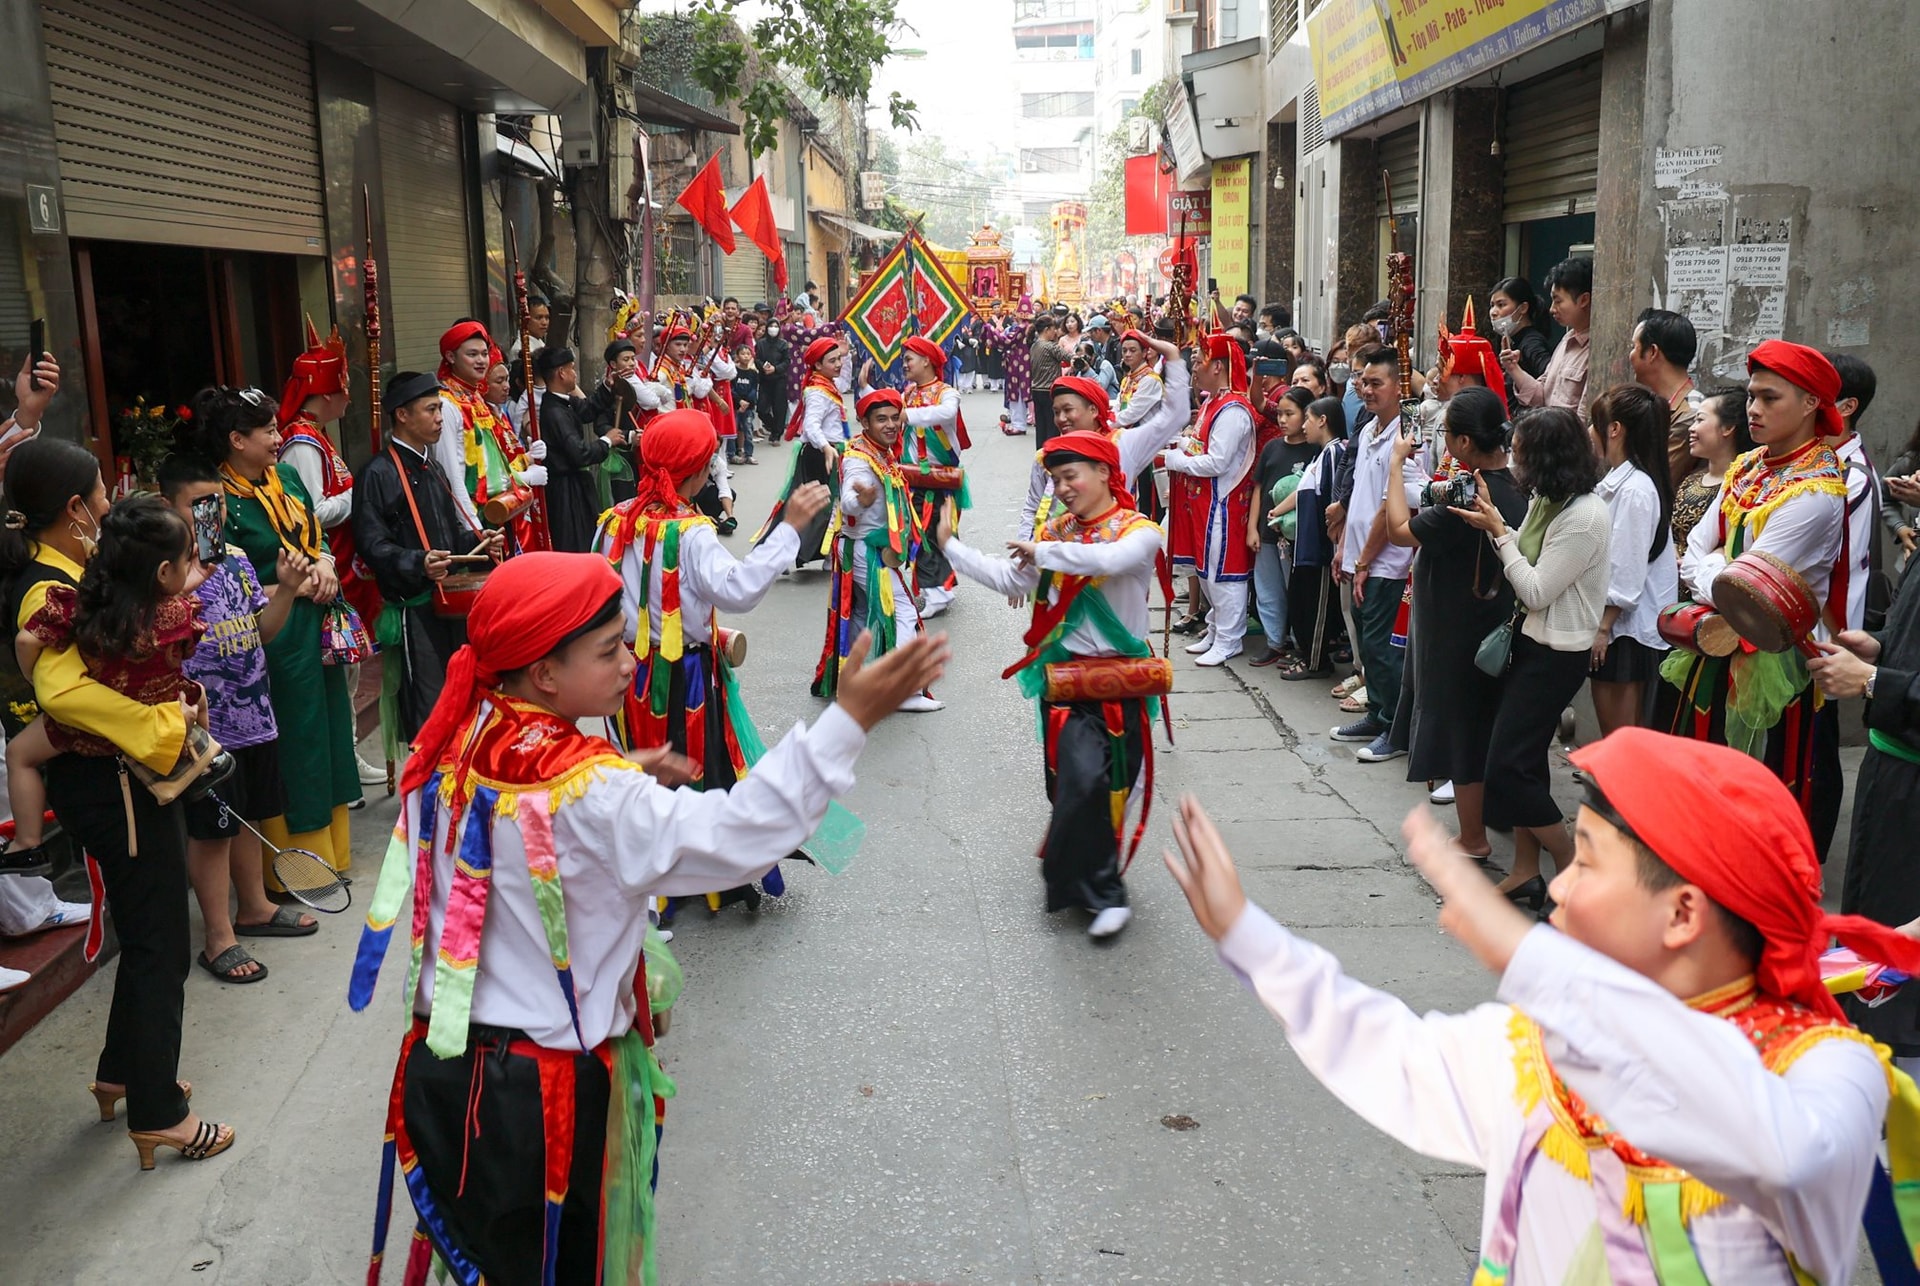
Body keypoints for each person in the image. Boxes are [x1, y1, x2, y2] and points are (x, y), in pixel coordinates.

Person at [346, 551, 950, 1285]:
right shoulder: (593, 795)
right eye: (608, 651)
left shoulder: (456, 741)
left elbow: (528, 833)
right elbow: (736, 837)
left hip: (444, 1080)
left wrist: (622, 772)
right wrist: (847, 722)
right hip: (539, 1103)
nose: (631, 661)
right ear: (542, 674)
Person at [1164, 728, 1920, 1286]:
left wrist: (1526, 956)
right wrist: (1251, 938)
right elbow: (1390, 1051)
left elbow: (1784, 1155)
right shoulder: (1546, 1045)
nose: (1557, 887)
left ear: (1683, 914)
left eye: (1586, 861)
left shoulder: (1828, 1070)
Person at [2, 437, 230, 1163]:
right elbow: (62, 694)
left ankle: (123, 1074)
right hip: (114, 781)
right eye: (102, 491)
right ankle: (158, 1112)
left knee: (148, 929)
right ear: (74, 509)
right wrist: (169, 727)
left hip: (121, 773)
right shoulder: (51, 588)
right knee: (161, 940)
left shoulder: (76, 573)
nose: (108, 502)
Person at [598, 409, 837, 917]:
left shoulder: (615, 518)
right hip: (681, 677)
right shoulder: (691, 532)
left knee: (639, 767)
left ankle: (650, 874)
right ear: (699, 470)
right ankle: (689, 873)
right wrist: (790, 529)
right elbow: (740, 590)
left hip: (624, 672)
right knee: (692, 768)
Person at [941, 430, 1162, 939]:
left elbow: (1107, 563)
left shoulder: (1139, 532)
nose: (1062, 488)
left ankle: (1097, 886)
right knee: (1073, 784)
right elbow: (1010, 579)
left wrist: (1046, 553)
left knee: (1110, 789)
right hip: (1066, 685)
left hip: (1121, 683)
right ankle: (1096, 887)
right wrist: (951, 546)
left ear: (1106, 473)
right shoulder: (1058, 533)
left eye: (1071, 476)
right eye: (1056, 479)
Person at [185, 385, 362, 873]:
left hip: (314, 625)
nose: (279, 438)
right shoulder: (210, 499)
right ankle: (293, 869)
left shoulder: (284, 475)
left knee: (326, 733)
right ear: (237, 440)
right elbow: (212, 579)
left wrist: (324, 564)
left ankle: (334, 855)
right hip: (266, 634)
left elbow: (317, 534)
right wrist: (289, 587)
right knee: (290, 743)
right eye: (268, 431)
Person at [1666, 341, 1847, 811]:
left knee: (1755, 791)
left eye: (1770, 398)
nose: (1754, 409)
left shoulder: (1816, 491)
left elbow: (1746, 588)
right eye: (1751, 396)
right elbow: (1694, 554)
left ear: (1811, 404)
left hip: (1774, 657)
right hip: (1717, 640)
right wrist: (1719, 577)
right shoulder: (1748, 466)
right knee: (1699, 781)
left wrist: (1717, 576)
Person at [159, 454, 317, 983]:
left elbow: (261, 631)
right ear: (168, 507)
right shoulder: (159, 573)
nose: (215, 514)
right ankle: (218, 936)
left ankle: (254, 906)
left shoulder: (236, 558)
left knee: (247, 814)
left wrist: (290, 589)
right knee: (212, 831)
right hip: (205, 727)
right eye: (201, 505)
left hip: (255, 715)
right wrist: (184, 581)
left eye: (220, 503)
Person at [1453, 407, 1610, 905]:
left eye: (1520, 453)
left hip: (1557, 653)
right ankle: (1526, 870)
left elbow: (1537, 587)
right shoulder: (1548, 497)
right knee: (1526, 763)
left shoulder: (1585, 516)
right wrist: (1498, 523)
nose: (1513, 462)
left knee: (1507, 768)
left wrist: (1500, 536)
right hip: (1529, 641)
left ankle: (1569, 864)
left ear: (1546, 457)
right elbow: (1529, 550)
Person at [1379, 387, 1527, 856]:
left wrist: (1395, 466)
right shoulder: (1520, 484)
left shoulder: (1467, 495)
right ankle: (1490, 824)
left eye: (1446, 434)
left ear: (1463, 443)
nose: (1442, 442)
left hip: (1457, 626)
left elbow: (1399, 532)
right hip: (1502, 622)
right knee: (1490, 726)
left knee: (1463, 732)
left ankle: (1473, 838)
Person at [352, 372, 506, 748]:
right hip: (414, 607)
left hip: (448, 604)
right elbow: (372, 545)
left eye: (440, 409)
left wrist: (478, 542)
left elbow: (448, 538)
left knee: (462, 698)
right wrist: (417, 562)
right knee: (429, 706)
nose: (441, 417)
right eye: (432, 409)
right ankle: (431, 791)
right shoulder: (378, 473)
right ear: (402, 415)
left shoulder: (431, 465)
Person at [276, 317, 385, 789]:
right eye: (343, 387)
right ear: (327, 391)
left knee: (349, 666)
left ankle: (348, 757)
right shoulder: (302, 443)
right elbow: (311, 511)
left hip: (341, 567)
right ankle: (343, 763)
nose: (350, 397)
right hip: (326, 570)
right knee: (339, 669)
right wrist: (358, 495)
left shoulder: (316, 436)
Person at [814, 389, 942, 712]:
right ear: (865, 422)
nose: (889, 425)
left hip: (859, 547)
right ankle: (904, 691)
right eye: (880, 419)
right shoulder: (861, 458)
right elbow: (849, 499)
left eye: (893, 418)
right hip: (864, 550)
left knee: (859, 612)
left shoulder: (878, 449)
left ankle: (853, 679)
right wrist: (862, 500)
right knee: (904, 610)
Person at [1330, 349, 1429, 753]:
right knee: (1369, 646)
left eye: (1376, 383)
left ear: (1398, 387)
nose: (1366, 390)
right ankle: (1378, 713)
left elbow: (1393, 504)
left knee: (1383, 647)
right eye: (1363, 382)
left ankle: (1395, 727)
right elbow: (1360, 497)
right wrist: (1345, 549)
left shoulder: (1406, 438)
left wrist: (1366, 558)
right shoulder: (1369, 428)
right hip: (1359, 556)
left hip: (1386, 563)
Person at [1808, 352, 1882, 859]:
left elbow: (1843, 571)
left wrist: (1834, 640)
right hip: (1813, 628)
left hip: (1825, 632)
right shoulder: (1819, 461)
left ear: (1847, 406)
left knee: (1818, 749)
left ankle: (1809, 859)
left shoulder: (1850, 475)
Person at [1587, 384, 1677, 737]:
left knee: (1623, 739)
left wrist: (1603, 628)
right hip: (1615, 628)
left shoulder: (1636, 489)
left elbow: (1625, 572)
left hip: (1623, 632)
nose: (1591, 433)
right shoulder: (1622, 481)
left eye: (1596, 424)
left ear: (1615, 429)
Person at [1165, 333, 1259, 667]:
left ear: (1217, 366)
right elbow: (1200, 444)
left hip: (1225, 503)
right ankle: (1215, 629)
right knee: (1206, 570)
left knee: (1224, 573)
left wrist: (1179, 461)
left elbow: (1218, 461)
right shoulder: (1211, 402)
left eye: (1200, 359)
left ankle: (1230, 639)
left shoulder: (1233, 410)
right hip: (1204, 502)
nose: (1195, 366)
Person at [432, 322, 549, 544]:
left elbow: (495, 463)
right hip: (475, 521)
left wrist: (525, 461)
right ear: (450, 356)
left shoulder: (475, 398)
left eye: (484, 354)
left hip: (498, 513)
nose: (481, 361)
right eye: (472, 354)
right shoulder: (447, 404)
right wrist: (475, 530)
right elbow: (453, 476)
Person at [756, 335, 849, 569]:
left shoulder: (826, 384)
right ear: (817, 364)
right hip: (820, 454)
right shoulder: (818, 391)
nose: (838, 364)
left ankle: (824, 552)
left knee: (823, 507)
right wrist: (827, 447)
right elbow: (811, 426)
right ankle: (783, 554)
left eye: (839, 359)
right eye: (832, 360)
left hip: (827, 452)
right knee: (816, 507)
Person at [1273, 396, 1348, 681]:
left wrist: (1331, 544)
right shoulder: (1321, 455)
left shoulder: (1333, 453)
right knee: (1301, 603)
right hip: (1306, 548)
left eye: (1307, 419)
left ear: (1323, 420)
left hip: (1319, 549)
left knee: (1315, 608)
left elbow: (1333, 500)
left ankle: (1316, 662)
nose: (1304, 426)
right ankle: (1307, 655)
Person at [899, 336, 969, 620]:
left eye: (908, 358)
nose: (904, 364)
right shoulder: (908, 393)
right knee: (921, 534)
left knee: (927, 534)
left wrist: (909, 415)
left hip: (938, 479)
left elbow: (946, 414)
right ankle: (939, 587)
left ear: (926, 361)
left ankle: (938, 591)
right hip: (913, 477)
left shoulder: (946, 393)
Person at [1247, 387, 1316, 666]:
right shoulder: (1273, 447)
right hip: (1266, 533)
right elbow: (1258, 488)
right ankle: (1275, 642)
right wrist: (1252, 526)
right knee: (1268, 589)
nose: (1283, 420)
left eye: (1290, 414)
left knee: (1295, 590)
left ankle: (1300, 644)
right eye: (1280, 414)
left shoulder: (1315, 451)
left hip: (1295, 535)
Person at [532, 346, 622, 553]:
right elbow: (579, 453)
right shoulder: (554, 412)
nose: (575, 374)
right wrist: (606, 441)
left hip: (576, 486)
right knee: (577, 543)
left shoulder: (564, 402)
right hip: (566, 492)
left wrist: (608, 387)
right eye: (572, 369)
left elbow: (588, 410)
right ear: (561, 373)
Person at [1503, 257, 1592, 412]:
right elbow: (1542, 395)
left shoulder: (1596, 350)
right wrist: (1513, 368)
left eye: (1558, 301)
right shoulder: (1566, 340)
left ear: (1583, 300)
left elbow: (1584, 418)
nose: (1552, 309)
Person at [1670, 389, 1752, 554]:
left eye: (1700, 420)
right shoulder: (1691, 480)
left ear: (1727, 427)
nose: (1692, 429)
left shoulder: (1744, 488)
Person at [1628, 308, 1700, 492]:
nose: (1631, 356)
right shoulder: (1661, 404)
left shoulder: (1690, 415)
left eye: (1634, 347)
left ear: (1652, 352)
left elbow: (1655, 481)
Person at [1487, 275, 1552, 387]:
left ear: (1523, 308)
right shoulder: (1514, 341)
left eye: (1501, 305)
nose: (1493, 312)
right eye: (1492, 305)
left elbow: (1550, 378)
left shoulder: (1531, 343)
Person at [1028, 314, 1073, 445]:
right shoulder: (1051, 347)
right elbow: (1069, 358)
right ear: (1047, 329)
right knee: (1052, 427)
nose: (1055, 332)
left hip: (1036, 389)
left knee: (1041, 428)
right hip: (1049, 390)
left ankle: (1040, 456)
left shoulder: (1034, 346)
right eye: (1054, 329)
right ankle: (1050, 455)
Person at [755, 316, 792, 442]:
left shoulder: (783, 344)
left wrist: (775, 369)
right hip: (765, 380)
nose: (773, 329)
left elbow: (787, 361)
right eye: (771, 326)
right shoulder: (760, 344)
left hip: (779, 380)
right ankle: (773, 427)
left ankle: (777, 434)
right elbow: (757, 359)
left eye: (776, 326)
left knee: (779, 408)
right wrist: (763, 367)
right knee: (761, 409)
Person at [728, 343, 757, 466]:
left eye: (748, 354)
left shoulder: (753, 373)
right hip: (735, 406)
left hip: (748, 407)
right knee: (733, 429)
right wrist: (739, 401)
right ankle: (731, 453)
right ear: (737, 356)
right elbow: (732, 389)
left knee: (748, 430)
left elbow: (754, 389)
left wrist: (747, 402)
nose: (746, 356)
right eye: (743, 354)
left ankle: (749, 454)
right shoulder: (734, 371)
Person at [504, 294, 550, 369]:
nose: (544, 322)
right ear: (524, 320)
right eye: (538, 318)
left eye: (547, 318)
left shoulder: (540, 343)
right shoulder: (520, 349)